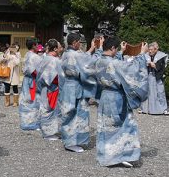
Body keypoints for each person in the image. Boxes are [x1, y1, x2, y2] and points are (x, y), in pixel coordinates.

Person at [94, 37, 148, 167]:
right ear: (112, 48)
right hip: (117, 97)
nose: (117, 50)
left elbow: (113, 64)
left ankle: (105, 155)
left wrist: (121, 52)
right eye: (116, 49)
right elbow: (131, 69)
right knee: (123, 126)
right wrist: (141, 55)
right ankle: (120, 156)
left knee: (106, 127)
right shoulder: (115, 64)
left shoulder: (98, 61)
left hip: (105, 96)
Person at [59, 33, 104, 153]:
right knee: (78, 114)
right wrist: (99, 50)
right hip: (76, 86)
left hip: (68, 86)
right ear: (75, 43)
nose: (80, 44)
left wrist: (91, 48)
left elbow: (83, 60)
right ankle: (72, 142)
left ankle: (69, 140)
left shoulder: (65, 53)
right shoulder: (75, 55)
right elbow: (89, 64)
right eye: (79, 42)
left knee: (68, 113)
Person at [36, 39, 64, 140]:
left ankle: (49, 131)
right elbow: (56, 77)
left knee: (47, 109)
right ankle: (48, 133)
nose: (61, 48)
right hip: (51, 87)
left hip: (44, 87)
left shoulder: (46, 58)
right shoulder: (54, 60)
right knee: (49, 110)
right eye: (60, 46)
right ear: (55, 48)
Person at [19, 38, 43, 130]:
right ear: (33, 45)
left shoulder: (27, 54)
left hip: (26, 80)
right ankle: (32, 123)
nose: (38, 46)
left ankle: (25, 123)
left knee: (26, 100)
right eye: (37, 45)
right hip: (33, 80)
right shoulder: (35, 57)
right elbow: (36, 71)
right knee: (33, 101)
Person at [140, 42, 168, 115]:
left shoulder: (161, 56)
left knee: (160, 92)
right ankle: (145, 109)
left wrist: (154, 65)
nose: (150, 51)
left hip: (156, 77)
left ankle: (163, 109)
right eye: (149, 49)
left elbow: (161, 67)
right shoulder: (146, 56)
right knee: (146, 92)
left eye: (151, 50)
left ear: (156, 50)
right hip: (148, 76)